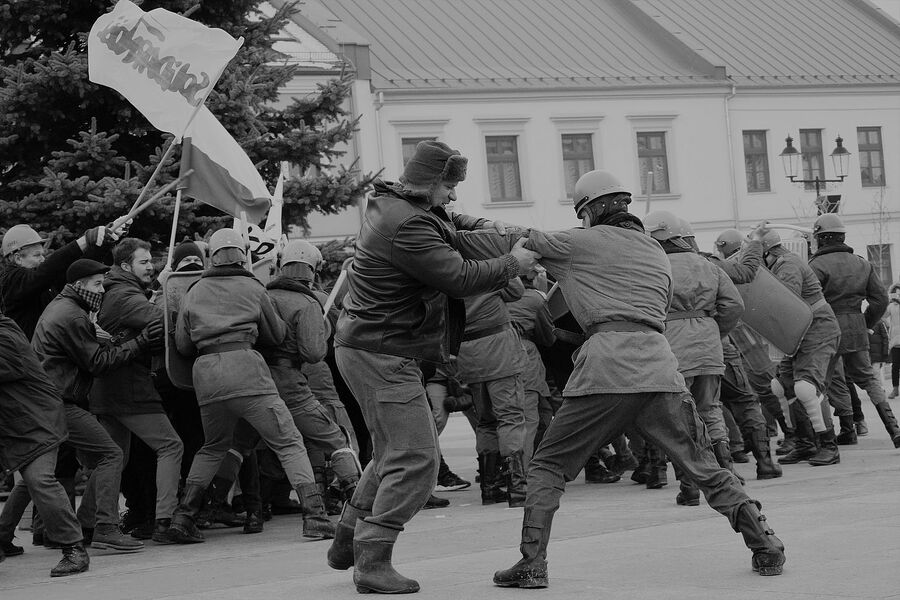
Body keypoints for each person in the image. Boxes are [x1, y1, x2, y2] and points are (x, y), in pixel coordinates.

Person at [492, 170, 784, 589]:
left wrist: (454, 219)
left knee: (548, 467)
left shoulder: (581, 241)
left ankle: (531, 563)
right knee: (704, 465)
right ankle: (765, 543)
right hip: (660, 367)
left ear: (589, 211)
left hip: (606, 368)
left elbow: (513, 234)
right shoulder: (656, 253)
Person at [327, 140, 540, 594]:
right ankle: (372, 559)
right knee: (417, 458)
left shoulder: (400, 206)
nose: (455, 195)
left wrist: (501, 229)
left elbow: (455, 225)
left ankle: (348, 541)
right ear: (429, 183)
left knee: (391, 452)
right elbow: (459, 277)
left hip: (373, 347)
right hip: (384, 352)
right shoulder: (408, 225)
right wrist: (512, 262)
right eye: (450, 184)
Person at [169, 229, 333, 544]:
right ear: (243, 253)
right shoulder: (252, 286)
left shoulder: (193, 290)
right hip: (247, 370)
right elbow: (276, 335)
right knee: (288, 442)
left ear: (211, 255)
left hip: (206, 376)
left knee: (214, 446)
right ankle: (315, 516)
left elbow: (182, 345)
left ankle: (184, 516)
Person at [31, 258, 160, 551]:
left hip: (49, 399)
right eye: (97, 285)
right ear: (79, 285)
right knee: (111, 455)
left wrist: (103, 339)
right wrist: (137, 343)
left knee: (34, 471)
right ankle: (105, 528)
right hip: (60, 401)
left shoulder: (64, 307)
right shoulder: (73, 316)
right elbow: (98, 363)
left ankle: (6, 533)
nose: (102, 291)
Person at [643, 210, 745, 506]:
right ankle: (728, 474)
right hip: (709, 346)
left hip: (672, 347)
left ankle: (689, 487)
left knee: (677, 418)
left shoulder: (654, 266)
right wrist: (713, 330)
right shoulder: (707, 264)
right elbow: (734, 305)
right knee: (710, 409)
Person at [90, 238, 183, 543]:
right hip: (129, 388)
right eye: (144, 262)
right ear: (126, 265)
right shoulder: (126, 297)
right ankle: (165, 520)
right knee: (171, 446)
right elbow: (166, 324)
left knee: (114, 458)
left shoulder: (115, 290)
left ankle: (88, 524)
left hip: (109, 389)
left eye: (151, 261)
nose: (151, 266)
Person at [262, 239, 361, 506]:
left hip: (262, 381)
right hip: (299, 378)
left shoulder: (263, 296)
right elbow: (315, 351)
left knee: (238, 443)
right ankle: (354, 496)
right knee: (334, 436)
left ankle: (200, 510)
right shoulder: (312, 302)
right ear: (313, 270)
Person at [0, 312, 89, 576]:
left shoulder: (5, 336)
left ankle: (74, 548)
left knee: (39, 480)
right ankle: (2, 537)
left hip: (37, 420)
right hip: (18, 424)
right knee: (29, 481)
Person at [808, 214, 900, 448]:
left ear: (823, 238)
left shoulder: (815, 266)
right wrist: (865, 323)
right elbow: (879, 301)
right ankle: (894, 430)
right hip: (856, 328)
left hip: (826, 330)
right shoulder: (862, 263)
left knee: (819, 384)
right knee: (870, 380)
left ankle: (825, 439)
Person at [760, 231, 843, 465]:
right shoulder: (780, 265)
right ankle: (805, 444)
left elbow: (786, 300)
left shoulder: (787, 265)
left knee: (807, 387)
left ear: (767, 252)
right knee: (782, 385)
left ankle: (829, 445)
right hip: (799, 331)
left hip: (818, 329)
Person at [456, 279, 529, 507]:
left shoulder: (445, 269)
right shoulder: (485, 265)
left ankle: (489, 488)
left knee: (486, 421)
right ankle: (517, 488)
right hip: (499, 349)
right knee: (511, 418)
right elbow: (516, 290)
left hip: (468, 351)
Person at [888, 284, 900, 399]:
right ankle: (895, 389)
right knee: (895, 366)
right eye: (896, 293)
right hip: (896, 342)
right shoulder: (892, 306)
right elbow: (882, 316)